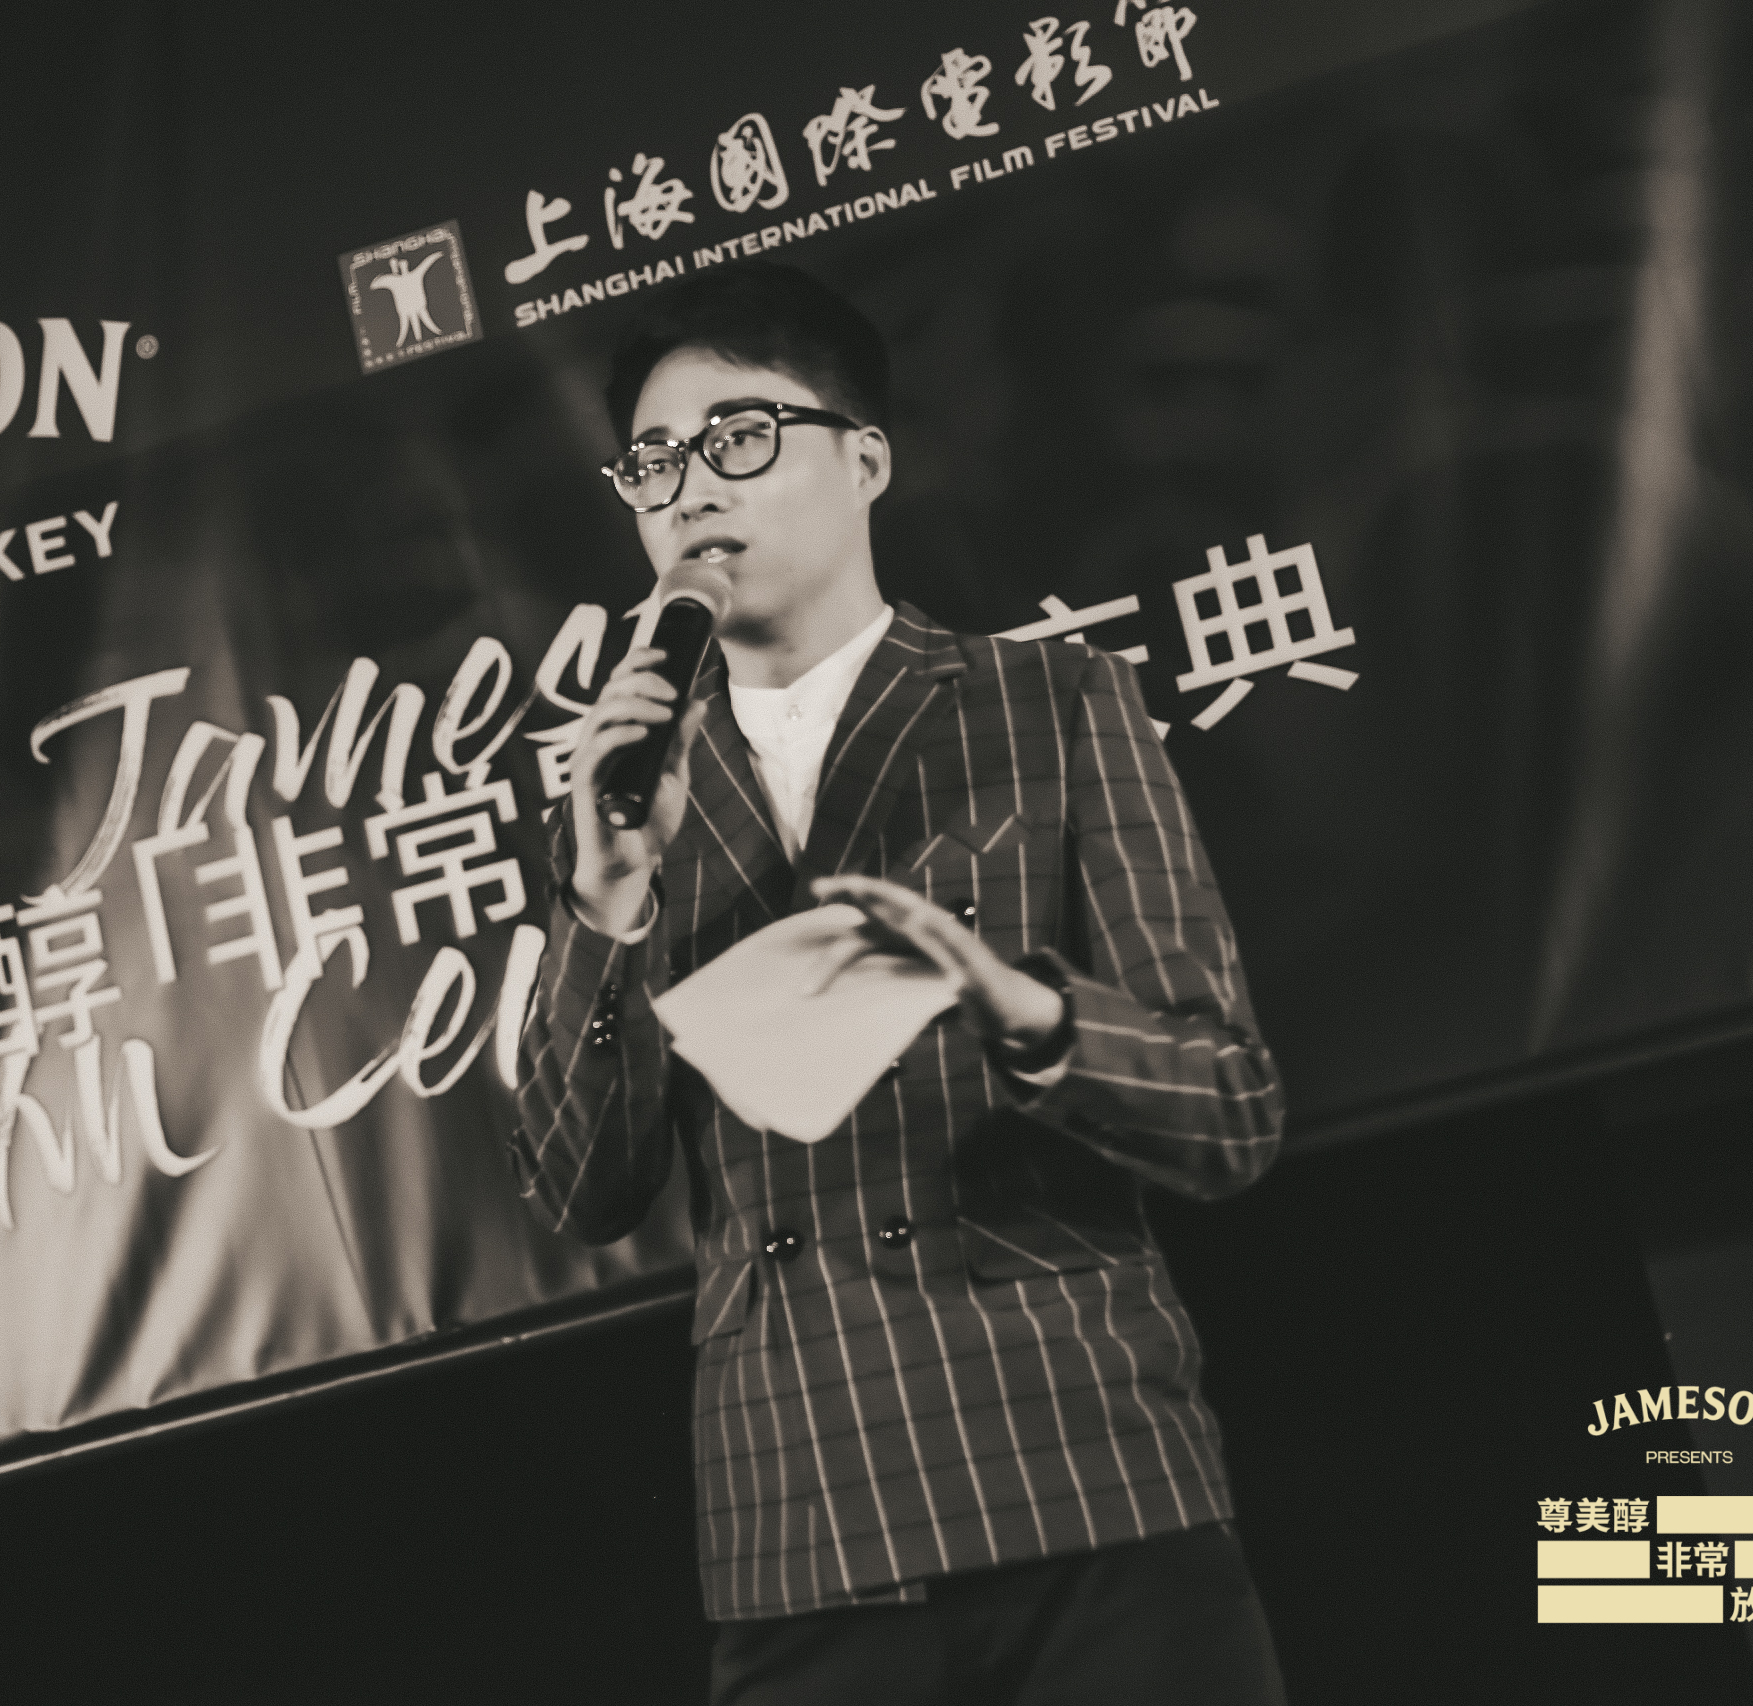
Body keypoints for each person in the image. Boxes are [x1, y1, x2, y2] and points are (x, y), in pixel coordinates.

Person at [509, 262, 1288, 1706]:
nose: (691, 488)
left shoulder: (1047, 705)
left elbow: (1228, 1107)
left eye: (741, 437)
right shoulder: (628, 788)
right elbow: (578, 1188)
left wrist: (1026, 1012)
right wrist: (606, 900)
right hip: (803, 1517)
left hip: (1081, 1470)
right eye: (654, 461)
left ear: (865, 458)